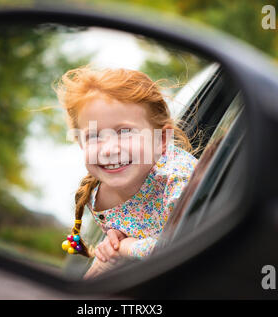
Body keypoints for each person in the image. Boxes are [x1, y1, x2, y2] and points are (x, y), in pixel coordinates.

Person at [55, 65, 199, 278]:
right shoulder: (99, 194)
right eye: (93, 136)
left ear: (162, 139)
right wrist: (116, 240)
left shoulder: (178, 176)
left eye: (124, 132)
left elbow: (184, 245)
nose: (110, 149)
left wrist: (127, 247)